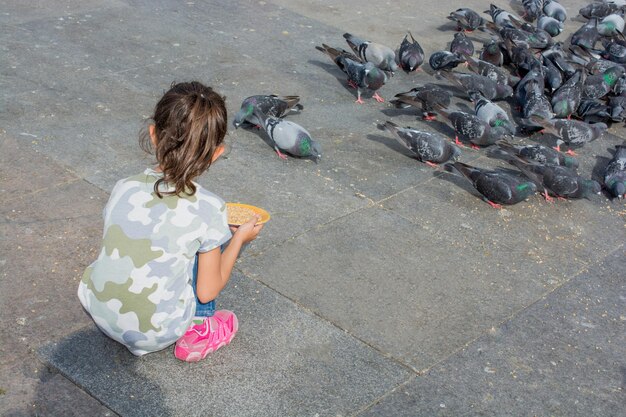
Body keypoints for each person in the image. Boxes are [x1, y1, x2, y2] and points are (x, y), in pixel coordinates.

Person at [77, 81, 263, 362]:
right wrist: (239, 239)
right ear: (217, 153)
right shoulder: (209, 207)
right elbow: (207, 289)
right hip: (156, 331)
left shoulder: (123, 186)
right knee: (215, 237)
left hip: (99, 308)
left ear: (153, 134)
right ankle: (200, 329)